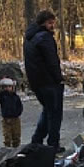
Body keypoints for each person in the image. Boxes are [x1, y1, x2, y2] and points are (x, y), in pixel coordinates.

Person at [23, 10, 65, 154]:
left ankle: (37, 139)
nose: (52, 26)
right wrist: (58, 78)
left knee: (48, 111)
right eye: (50, 23)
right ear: (43, 23)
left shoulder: (29, 37)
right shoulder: (44, 38)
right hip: (49, 81)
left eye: (53, 23)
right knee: (54, 114)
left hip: (37, 81)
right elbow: (52, 61)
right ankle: (53, 143)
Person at [0, 77, 23, 148]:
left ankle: (16, 148)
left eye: (9, 86)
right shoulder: (3, 96)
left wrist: (17, 113)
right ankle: (7, 148)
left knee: (16, 135)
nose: (7, 88)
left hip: (15, 118)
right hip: (6, 119)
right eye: (5, 87)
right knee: (7, 136)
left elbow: (20, 106)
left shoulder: (16, 97)